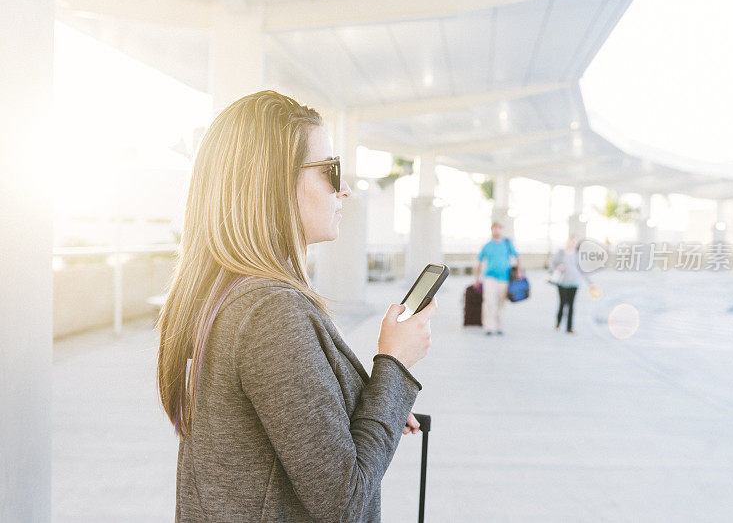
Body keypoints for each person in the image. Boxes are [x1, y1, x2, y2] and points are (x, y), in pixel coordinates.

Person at [156, 90, 438, 522]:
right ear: (273, 183)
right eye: (330, 170)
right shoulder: (271, 312)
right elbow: (344, 502)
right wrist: (395, 361)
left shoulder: (231, 294)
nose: (344, 190)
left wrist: (375, 405)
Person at [473, 222, 523, 336]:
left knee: (501, 303)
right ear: (491, 230)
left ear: (501, 230)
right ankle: (489, 327)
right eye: (494, 229)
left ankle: (499, 326)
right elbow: (479, 262)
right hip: (490, 278)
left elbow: (517, 256)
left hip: (504, 278)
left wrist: (520, 271)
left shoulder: (507, 243)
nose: (496, 231)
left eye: (498, 229)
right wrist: (476, 278)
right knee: (489, 302)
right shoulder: (487, 246)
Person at [549, 235, 597, 333]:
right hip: (562, 282)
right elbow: (551, 263)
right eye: (572, 241)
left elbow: (583, 270)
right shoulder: (561, 253)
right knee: (562, 303)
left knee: (571, 305)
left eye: (575, 242)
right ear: (568, 241)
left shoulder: (578, 255)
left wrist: (591, 284)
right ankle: (558, 321)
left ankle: (569, 327)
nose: (573, 244)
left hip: (575, 282)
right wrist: (557, 268)